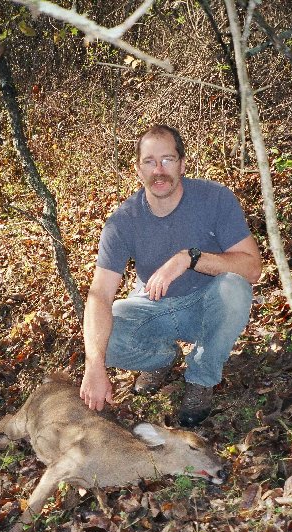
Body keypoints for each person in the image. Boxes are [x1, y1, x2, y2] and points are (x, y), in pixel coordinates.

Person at [80, 125, 262, 427]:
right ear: (138, 169)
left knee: (235, 287)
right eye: (150, 161)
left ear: (183, 164)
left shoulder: (214, 199)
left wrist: (189, 258)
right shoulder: (123, 221)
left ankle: (202, 377)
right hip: (154, 307)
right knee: (103, 338)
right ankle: (162, 359)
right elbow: (99, 294)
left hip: (207, 306)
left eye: (168, 159)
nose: (159, 170)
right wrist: (94, 366)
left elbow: (252, 268)